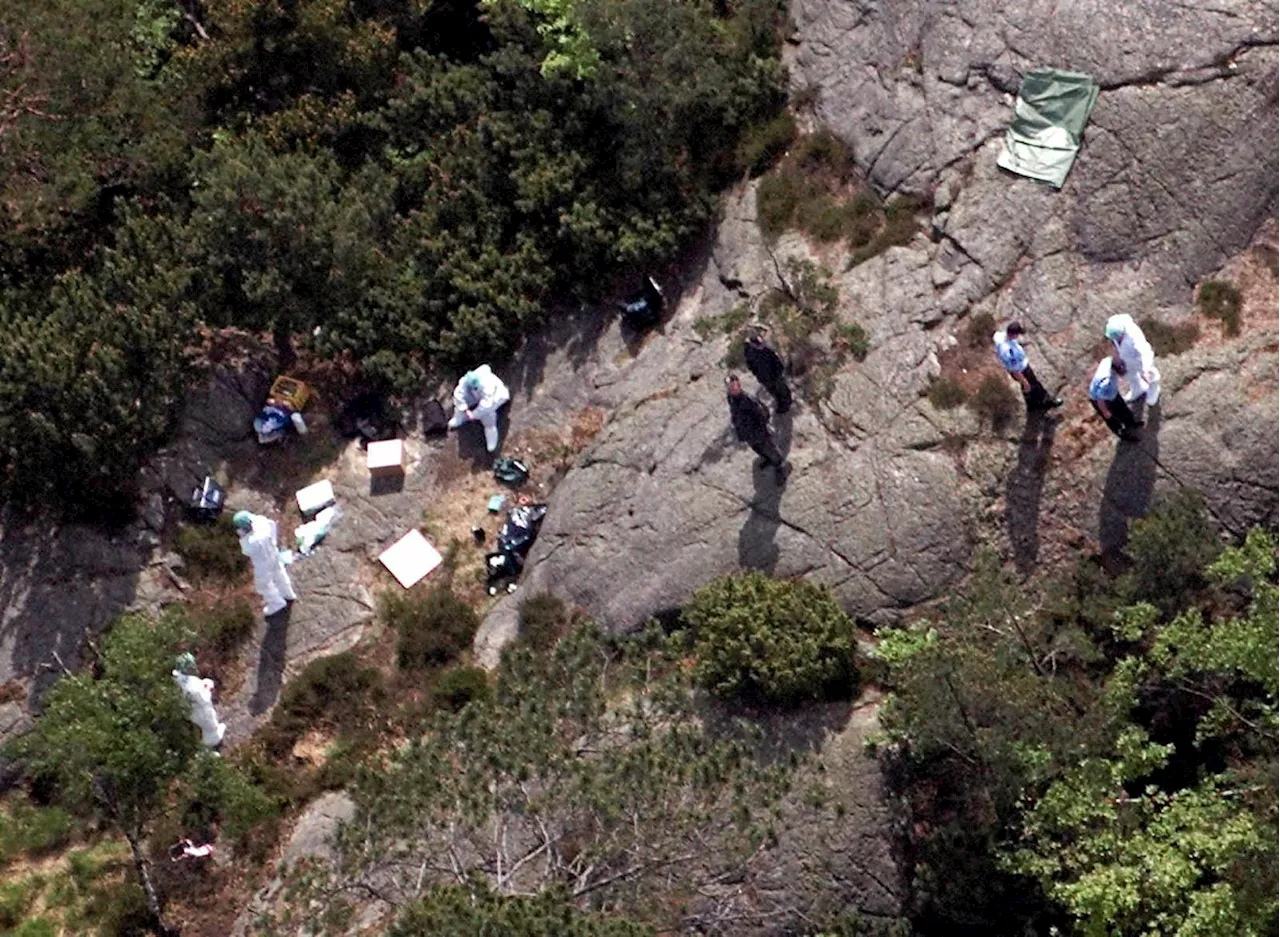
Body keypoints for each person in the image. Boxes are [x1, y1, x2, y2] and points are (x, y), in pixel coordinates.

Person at [726, 374, 790, 485]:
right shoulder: (731, 399)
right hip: (747, 433)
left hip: (759, 432)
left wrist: (763, 427)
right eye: (730, 387)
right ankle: (767, 459)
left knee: (771, 450)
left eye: (734, 386)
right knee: (758, 449)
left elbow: (763, 412)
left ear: (739, 385)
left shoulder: (748, 400)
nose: (733, 389)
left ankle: (780, 468)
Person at [233, 510, 297, 616]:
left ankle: (276, 603)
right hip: (273, 553)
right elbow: (272, 525)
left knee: (263, 585)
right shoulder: (261, 521)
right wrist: (273, 543)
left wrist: (243, 537)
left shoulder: (251, 541)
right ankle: (288, 593)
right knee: (279, 574)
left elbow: (246, 551)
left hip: (262, 563)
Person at [993, 320, 1063, 411]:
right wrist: (1023, 380)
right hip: (1021, 371)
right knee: (1033, 386)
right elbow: (1014, 369)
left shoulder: (1000, 336)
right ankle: (1047, 401)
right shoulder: (1008, 351)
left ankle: (1032, 405)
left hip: (1021, 367)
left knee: (1028, 388)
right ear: (1013, 334)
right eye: (1017, 334)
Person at [448, 365, 511, 454]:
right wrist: (465, 409)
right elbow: (458, 395)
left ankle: (491, 433)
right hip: (477, 396)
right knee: (461, 405)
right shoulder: (466, 381)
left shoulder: (488, 386)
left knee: (487, 415)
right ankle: (460, 418)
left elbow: (486, 405)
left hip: (496, 397)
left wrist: (473, 415)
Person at [1105, 313, 1161, 406]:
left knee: (1151, 375)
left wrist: (1146, 369)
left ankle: (1154, 390)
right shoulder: (1114, 324)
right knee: (1129, 374)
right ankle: (1137, 388)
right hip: (1127, 358)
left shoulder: (1134, 336)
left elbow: (1145, 351)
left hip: (1139, 359)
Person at [1088, 356, 1144, 441]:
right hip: (1101, 399)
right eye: (1122, 371)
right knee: (1113, 419)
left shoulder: (1109, 360)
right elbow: (1100, 400)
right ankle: (1124, 435)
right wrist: (1105, 412)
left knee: (1122, 408)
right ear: (1115, 370)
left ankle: (1131, 423)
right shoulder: (1106, 382)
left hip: (1112, 392)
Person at [744, 326, 792, 414]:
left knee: (781, 388)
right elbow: (749, 362)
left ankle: (786, 403)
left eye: (754, 332)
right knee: (773, 390)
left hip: (773, 371)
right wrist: (755, 373)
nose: (753, 335)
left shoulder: (763, 344)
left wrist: (779, 367)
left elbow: (773, 356)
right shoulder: (748, 347)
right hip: (763, 374)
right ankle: (781, 405)